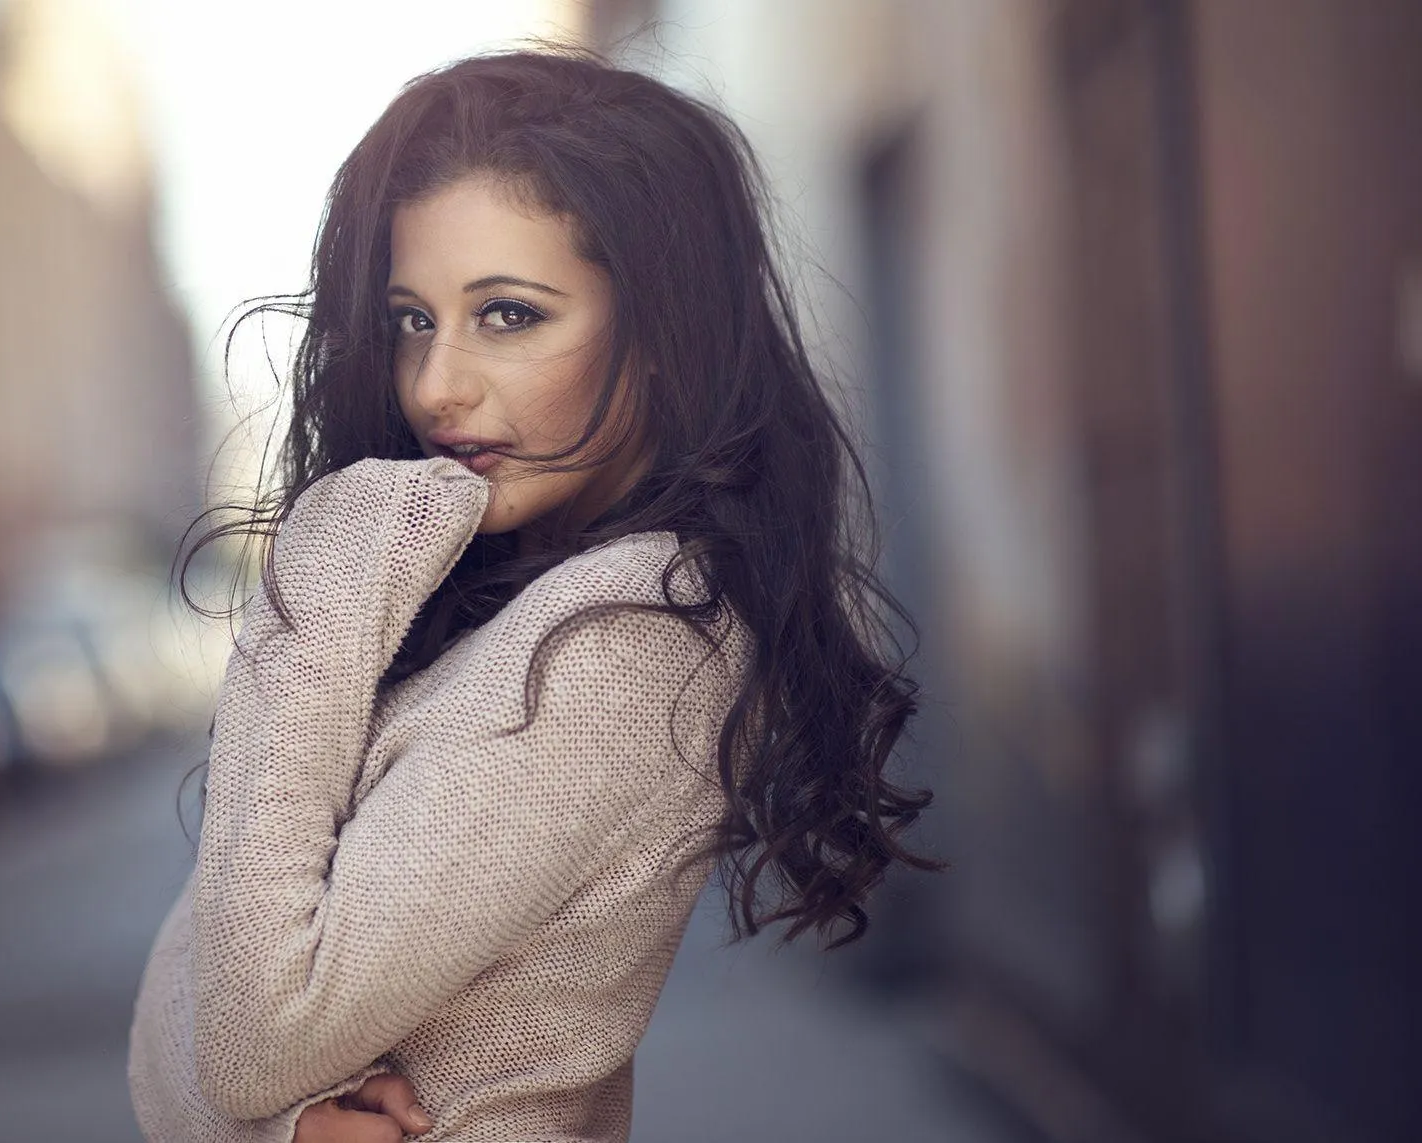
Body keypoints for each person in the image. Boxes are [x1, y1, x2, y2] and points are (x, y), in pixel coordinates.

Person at [128, 46, 944, 1143]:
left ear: (662, 330)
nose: (434, 387)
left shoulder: (628, 635)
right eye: (413, 319)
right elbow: (174, 1009)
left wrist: (316, 582)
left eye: (507, 314)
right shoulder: (505, 600)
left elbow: (241, 1045)